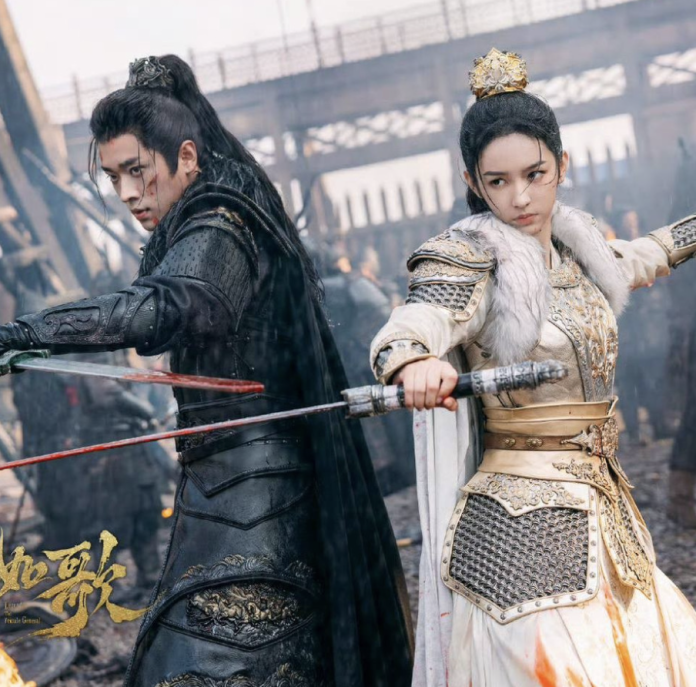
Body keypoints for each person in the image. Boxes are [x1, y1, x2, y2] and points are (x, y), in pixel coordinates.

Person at [0, 55, 412, 687]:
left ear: (186, 157)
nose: (127, 194)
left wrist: (26, 332)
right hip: (220, 489)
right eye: (113, 177)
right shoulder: (202, 217)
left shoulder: (221, 221)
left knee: (214, 669)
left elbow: (167, 304)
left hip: (260, 493)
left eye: (137, 170)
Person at [370, 48, 696, 687]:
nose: (519, 197)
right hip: (518, 527)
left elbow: (646, 254)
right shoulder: (469, 259)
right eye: (497, 182)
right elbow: (416, 322)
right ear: (473, 181)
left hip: (604, 504)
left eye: (535, 174)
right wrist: (411, 362)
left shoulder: (580, 252)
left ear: (561, 166)